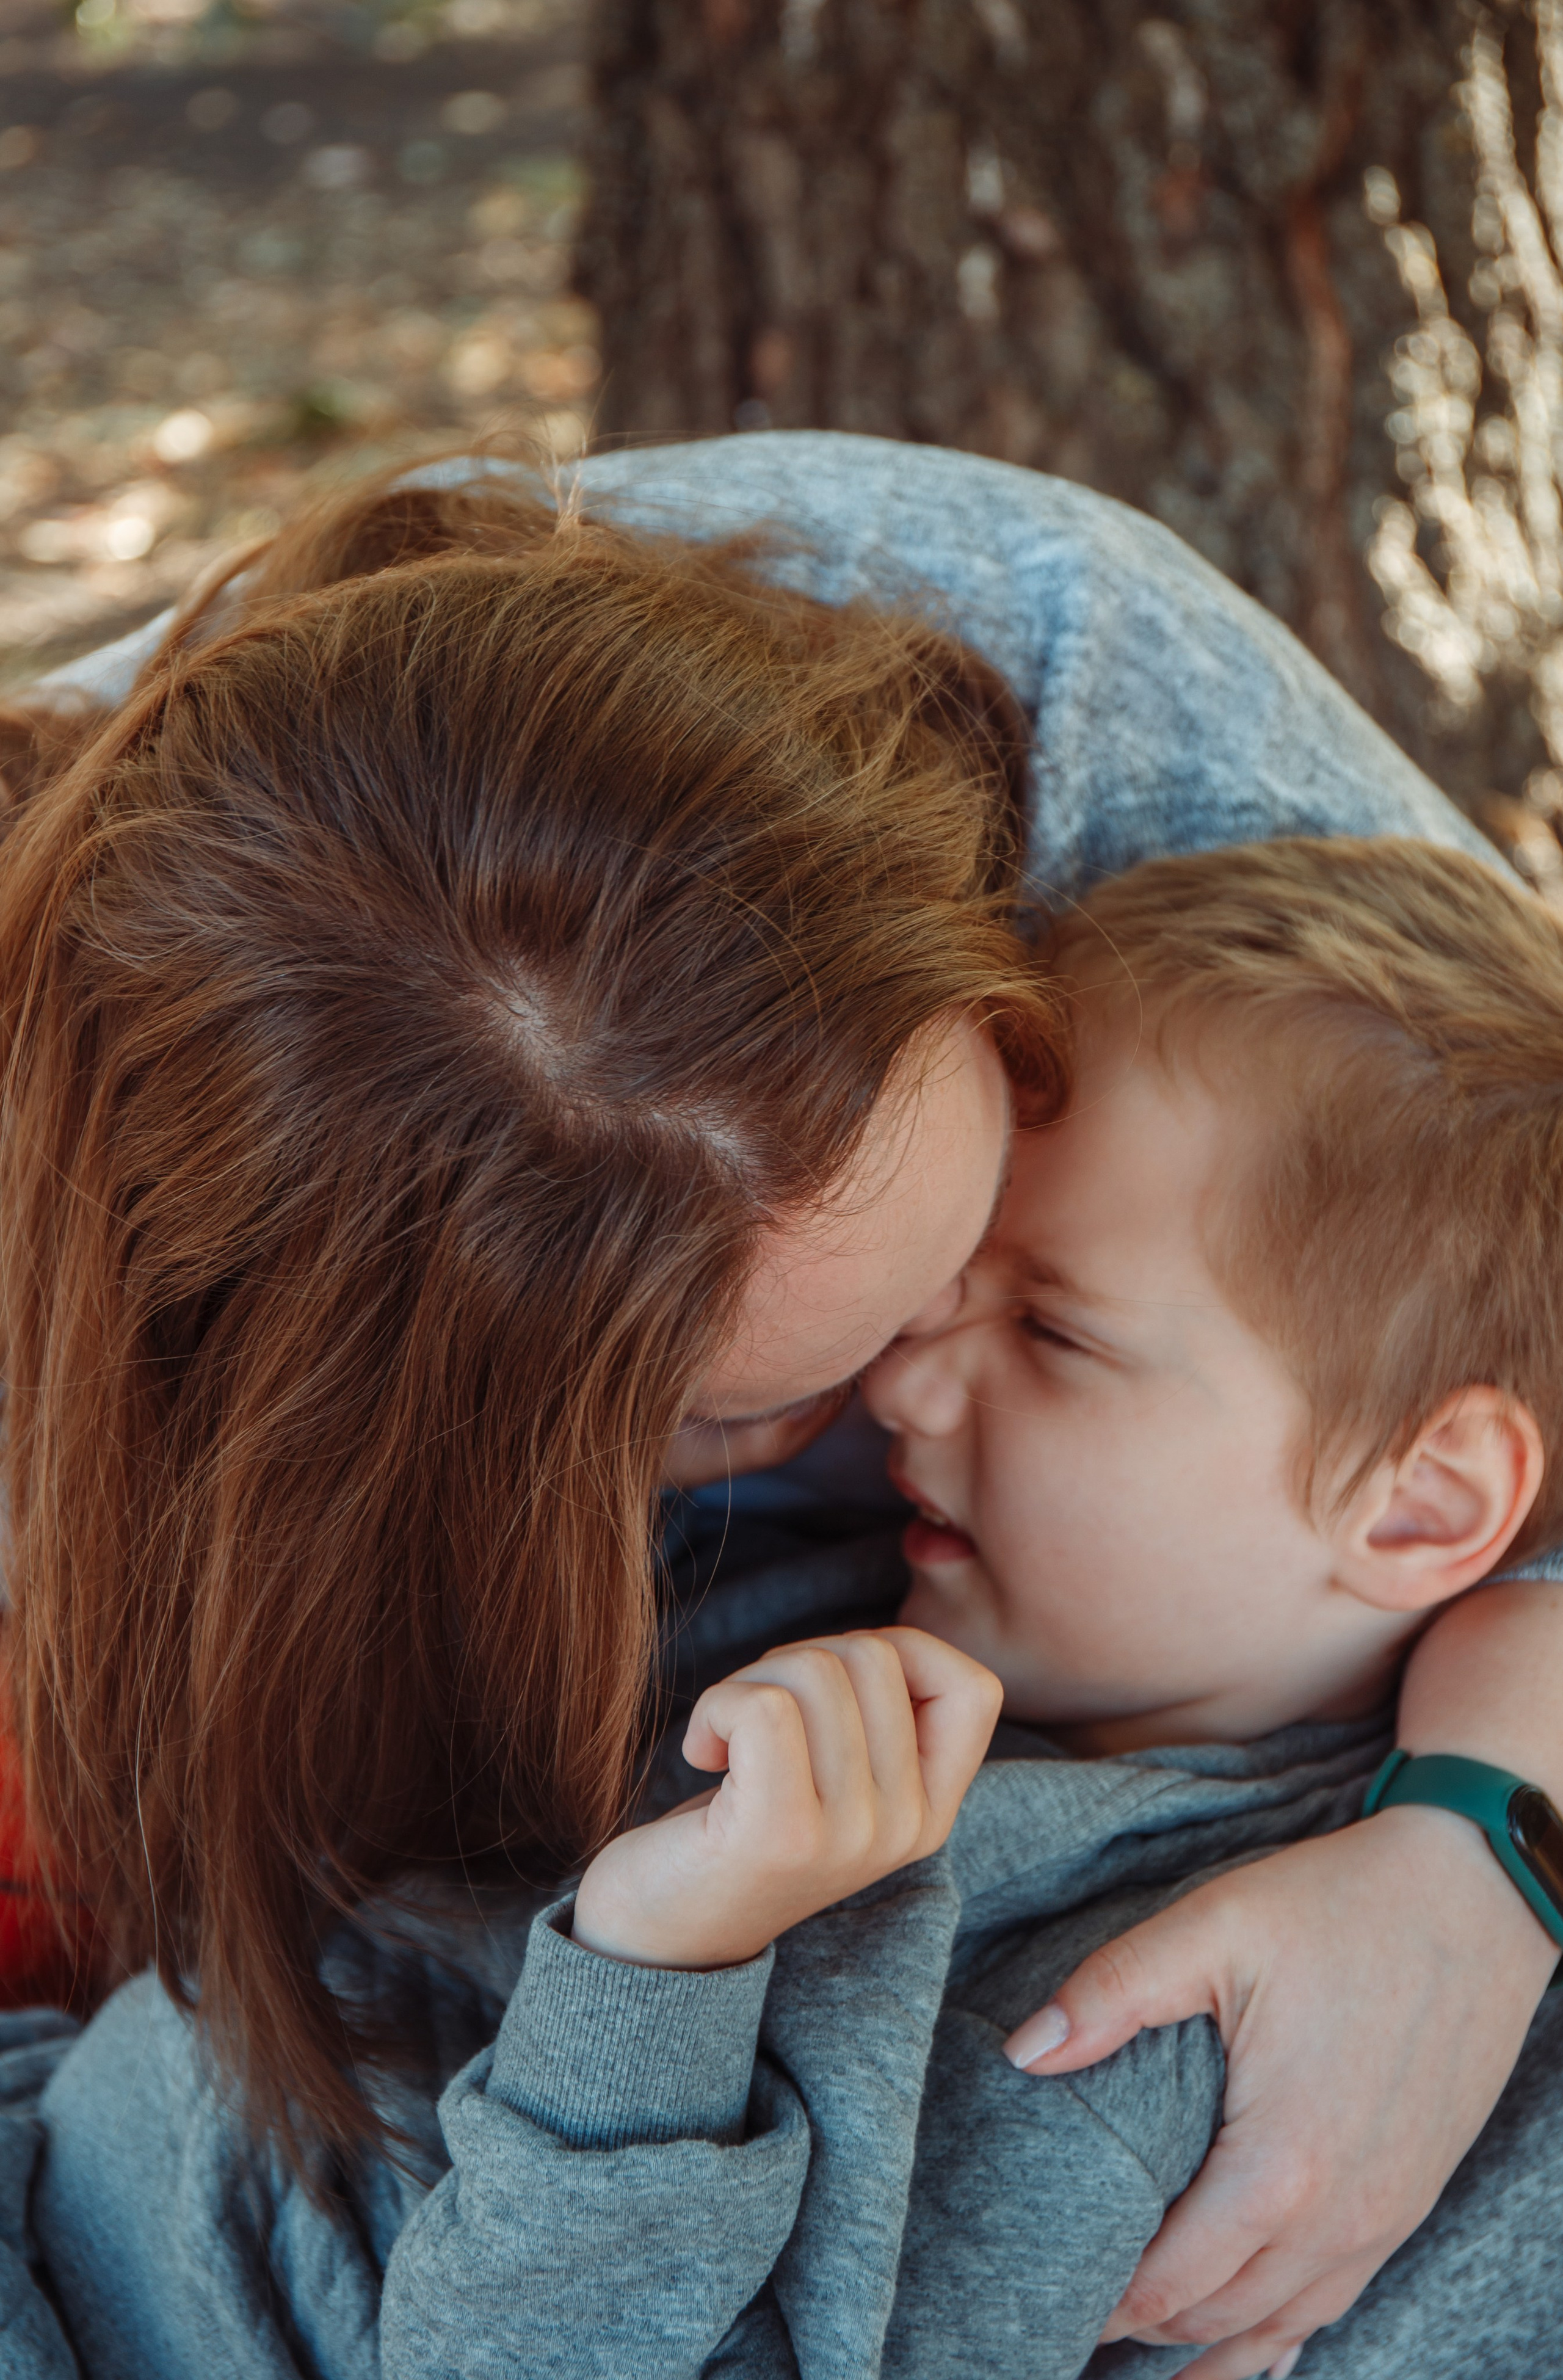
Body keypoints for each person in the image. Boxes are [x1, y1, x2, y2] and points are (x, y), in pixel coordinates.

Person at [0, 434, 1560, 2379]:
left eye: (1021, 1283)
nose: (908, 1383)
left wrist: (1485, 1841)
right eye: (774, 1401)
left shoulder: (1135, 765)